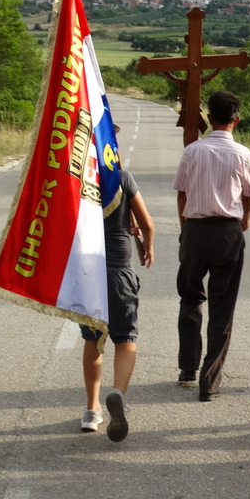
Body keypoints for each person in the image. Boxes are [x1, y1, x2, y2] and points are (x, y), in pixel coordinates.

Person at [172, 90, 250, 401]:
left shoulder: (192, 151)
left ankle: (187, 367)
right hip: (228, 231)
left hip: (195, 229)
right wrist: (245, 220)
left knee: (190, 297)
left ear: (210, 119)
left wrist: (187, 230)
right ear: (236, 120)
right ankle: (209, 382)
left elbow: (182, 194)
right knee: (222, 307)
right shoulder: (243, 154)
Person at [80, 167, 155, 442]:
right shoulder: (122, 178)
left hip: (89, 271)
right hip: (120, 270)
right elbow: (147, 224)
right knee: (125, 340)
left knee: (93, 340)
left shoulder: (77, 177)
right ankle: (118, 394)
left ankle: (91, 410)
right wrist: (148, 245)